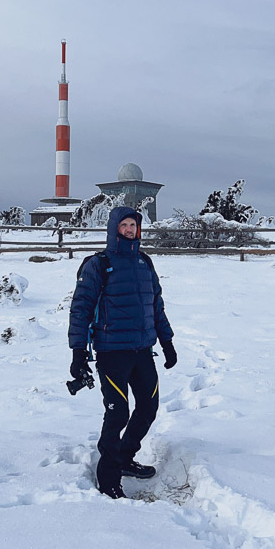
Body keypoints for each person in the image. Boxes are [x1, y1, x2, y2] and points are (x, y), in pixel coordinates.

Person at [68, 206, 178, 499]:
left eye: (134, 225)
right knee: (118, 413)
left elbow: (156, 305)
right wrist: (78, 351)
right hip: (111, 352)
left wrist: (167, 342)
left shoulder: (144, 262)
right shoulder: (99, 264)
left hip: (142, 350)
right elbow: (81, 309)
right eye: (125, 225)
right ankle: (108, 476)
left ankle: (125, 457)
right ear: (115, 228)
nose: (130, 230)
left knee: (148, 408)